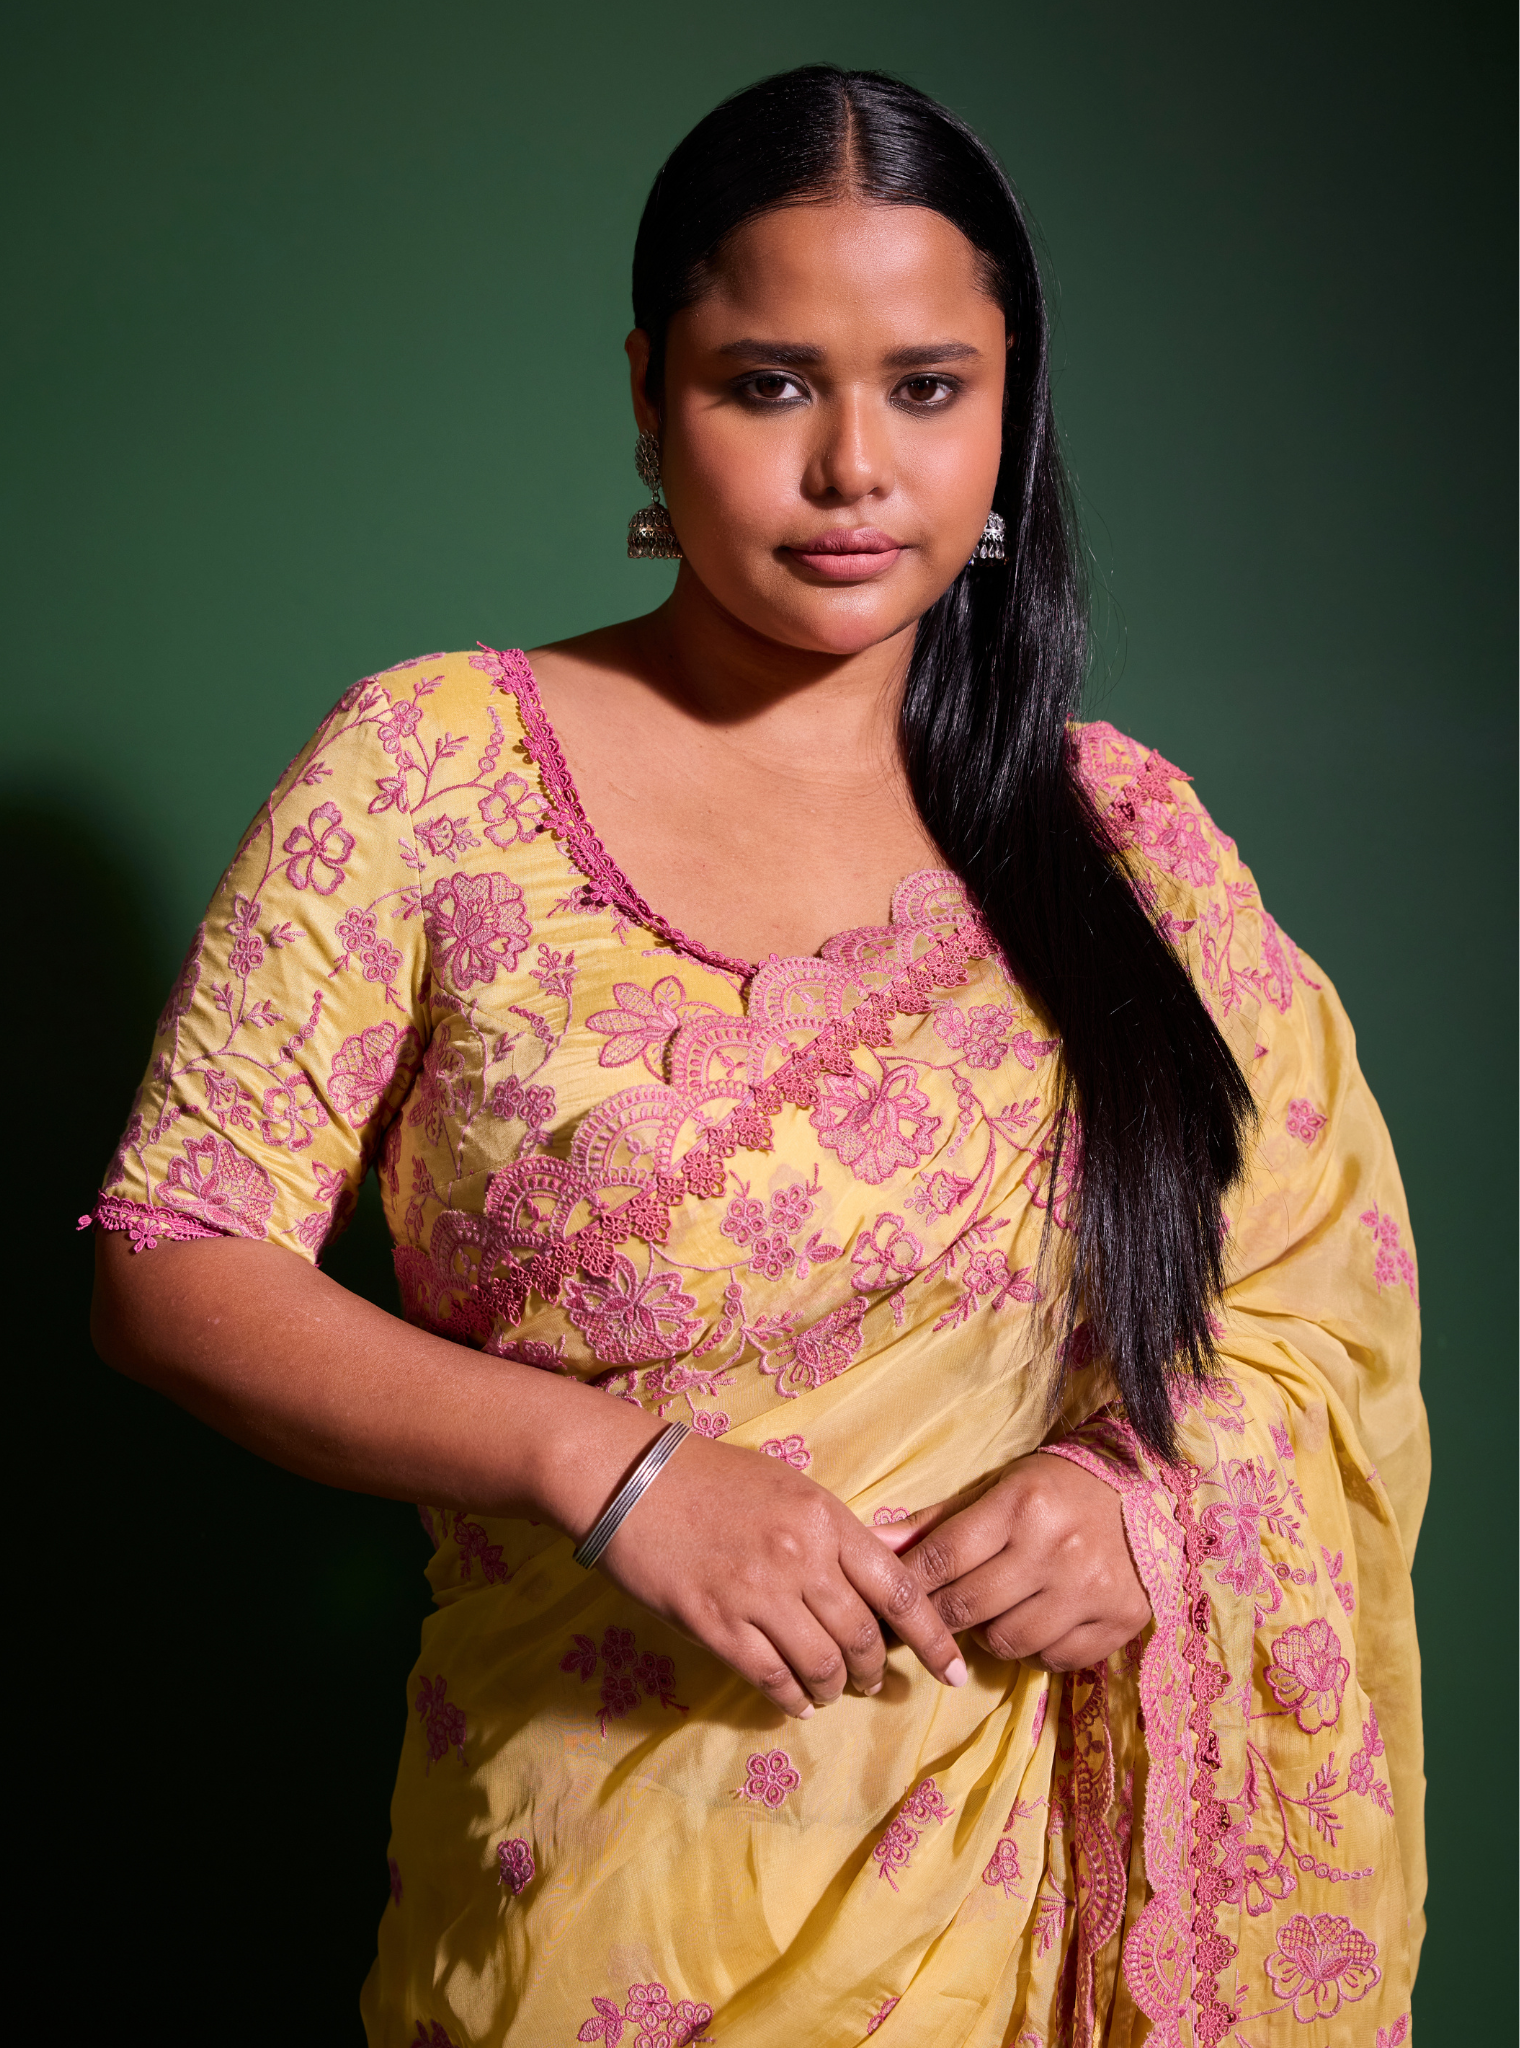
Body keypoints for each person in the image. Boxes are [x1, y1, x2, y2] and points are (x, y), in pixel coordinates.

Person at [86, 65, 1427, 2047]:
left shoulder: (1123, 843)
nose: (853, 469)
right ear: (650, 392)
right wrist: (606, 1467)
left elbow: (1317, 1306)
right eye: (769, 384)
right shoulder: (430, 769)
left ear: (1010, 407)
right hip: (594, 1909)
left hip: (1023, 1934)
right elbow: (173, 1256)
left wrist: (1141, 1504)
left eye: (929, 387)